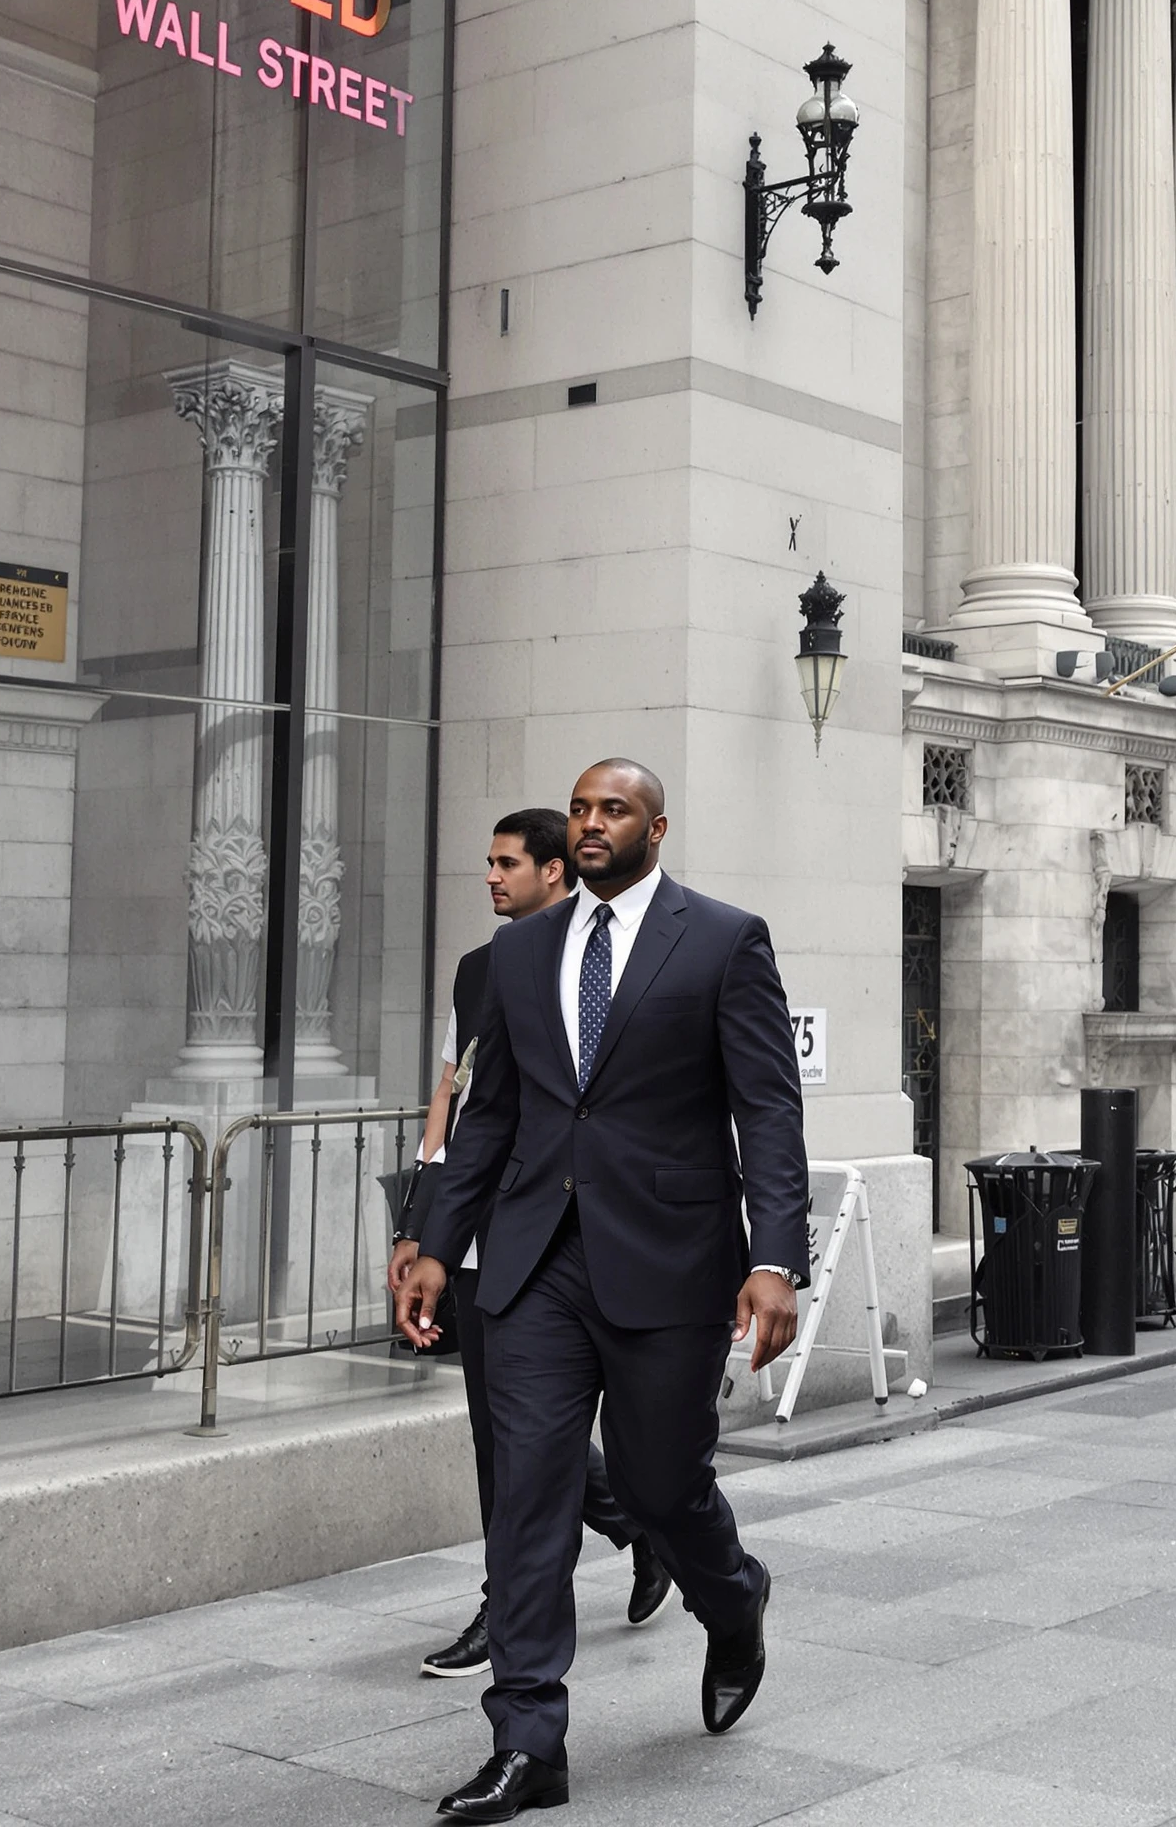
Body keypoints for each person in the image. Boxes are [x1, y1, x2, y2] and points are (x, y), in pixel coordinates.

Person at [396, 760, 811, 1824]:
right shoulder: (519, 951)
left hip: (670, 1258)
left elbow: (765, 1108)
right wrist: (440, 1239)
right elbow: (491, 1112)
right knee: (528, 1493)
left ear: (655, 827)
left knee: (661, 1483)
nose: (589, 822)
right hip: (536, 1260)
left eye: (611, 808)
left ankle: (732, 1594)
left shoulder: (722, 939)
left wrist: (775, 1257)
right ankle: (528, 1739)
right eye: (578, 807)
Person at [387, 808, 671, 1680]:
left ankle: (532, 1590)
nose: (492, 877)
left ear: (557, 872)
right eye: (488, 861)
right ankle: (623, 1531)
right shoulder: (485, 968)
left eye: (509, 862)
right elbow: (455, 1100)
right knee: (502, 1435)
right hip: (478, 1231)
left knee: (522, 1437)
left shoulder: (618, 959)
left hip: (567, 1235)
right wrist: (420, 1225)